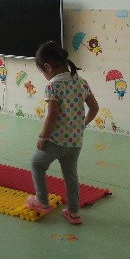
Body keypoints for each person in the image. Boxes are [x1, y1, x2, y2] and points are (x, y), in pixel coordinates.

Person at [25, 41, 99, 225]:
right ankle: (74, 213)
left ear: (48, 67)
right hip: (75, 141)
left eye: (42, 71)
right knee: (70, 175)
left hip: (55, 140)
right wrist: (82, 124)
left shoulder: (53, 86)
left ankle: (42, 201)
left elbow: (52, 116)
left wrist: (43, 136)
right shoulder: (81, 82)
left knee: (37, 164)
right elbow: (94, 108)